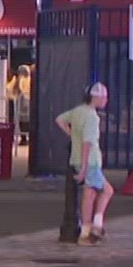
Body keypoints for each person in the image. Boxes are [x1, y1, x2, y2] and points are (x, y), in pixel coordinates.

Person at [56, 82, 113, 245]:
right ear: (95, 97)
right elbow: (88, 143)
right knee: (105, 191)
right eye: (104, 97)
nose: (106, 100)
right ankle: (94, 227)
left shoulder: (78, 111)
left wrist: (73, 136)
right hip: (90, 162)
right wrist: (85, 168)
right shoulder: (92, 117)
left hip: (75, 159)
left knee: (90, 195)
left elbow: (59, 119)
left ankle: (89, 230)